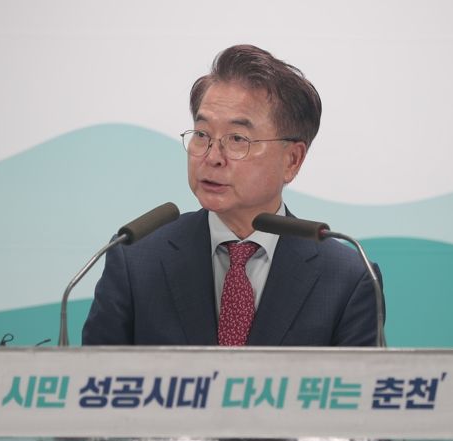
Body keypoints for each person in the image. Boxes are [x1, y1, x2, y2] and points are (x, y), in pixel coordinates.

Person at [82, 44, 383, 347]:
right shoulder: (136, 257)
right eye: (202, 135)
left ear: (292, 160)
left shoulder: (348, 278)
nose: (212, 157)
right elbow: (91, 374)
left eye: (237, 139)